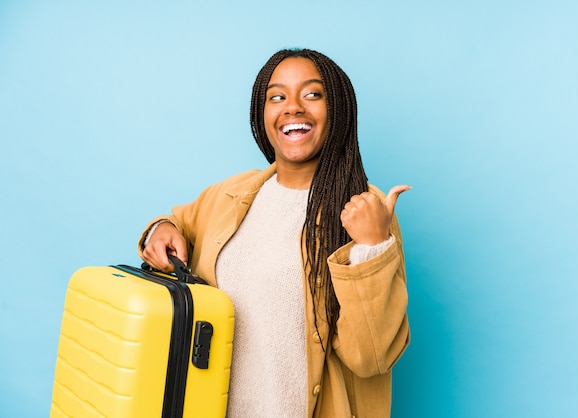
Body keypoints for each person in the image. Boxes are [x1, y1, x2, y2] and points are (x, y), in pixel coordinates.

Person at [139, 48, 410, 418]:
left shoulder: (366, 212)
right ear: (261, 114)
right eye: (277, 97)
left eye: (312, 94)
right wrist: (161, 228)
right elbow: (177, 223)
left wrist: (372, 247)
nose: (293, 107)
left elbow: (371, 357)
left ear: (339, 111)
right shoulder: (232, 193)